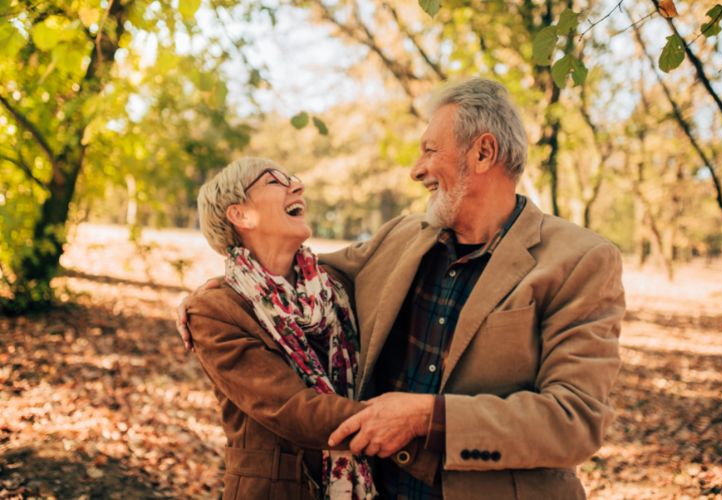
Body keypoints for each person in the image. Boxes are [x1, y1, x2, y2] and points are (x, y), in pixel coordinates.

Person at [179, 78, 625, 499]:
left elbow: (575, 421)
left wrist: (428, 416)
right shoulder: (401, 238)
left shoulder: (580, 261)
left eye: (430, 150)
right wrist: (210, 296)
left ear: (484, 153)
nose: (417, 170)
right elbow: (286, 276)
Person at [182, 157, 434, 499]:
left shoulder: (335, 284)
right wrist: (401, 422)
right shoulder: (215, 310)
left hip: (366, 484)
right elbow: (291, 409)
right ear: (240, 215)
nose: (297, 186)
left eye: (292, 179)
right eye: (274, 181)